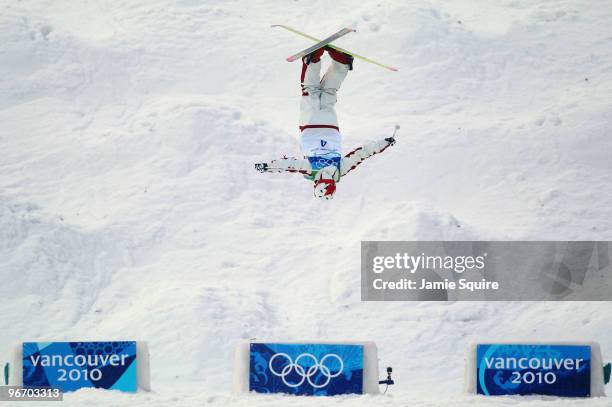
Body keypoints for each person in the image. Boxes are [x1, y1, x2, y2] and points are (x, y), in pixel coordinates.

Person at [254, 46, 396, 200]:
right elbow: (290, 165)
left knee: (329, 92)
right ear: (320, 185)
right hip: (310, 127)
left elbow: (362, 154)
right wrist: (268, 167)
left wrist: (385, 143)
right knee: (310, 90)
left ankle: (342, 63)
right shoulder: (312, 172)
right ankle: (312, 59)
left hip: (330, 127)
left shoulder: (340, 170)